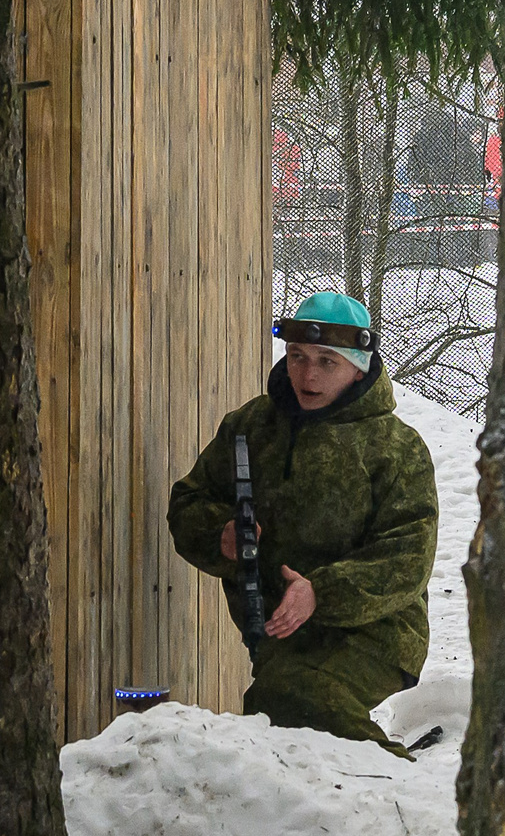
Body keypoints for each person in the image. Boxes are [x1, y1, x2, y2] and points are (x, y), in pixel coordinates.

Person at [169, 293, 438, 754]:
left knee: (295, 705)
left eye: (326, 362)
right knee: (280, 723)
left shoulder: (396, 449)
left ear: (359, 367)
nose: (307, 375)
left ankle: (397, 794)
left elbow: (407, 559)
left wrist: (320, 593)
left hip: (376, 633)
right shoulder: (252, 426)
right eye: (297, 357)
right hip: (279, 632)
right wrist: (222, 534)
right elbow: (190, 502)